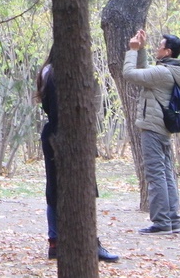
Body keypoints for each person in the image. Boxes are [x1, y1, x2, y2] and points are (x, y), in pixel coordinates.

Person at [36, 57, 119, 262]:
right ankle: (73, 242)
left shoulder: (49, 72)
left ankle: (57, 241)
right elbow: (59, 110)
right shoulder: (57, 74)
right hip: (63, 135)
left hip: (58, 133)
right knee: (68, 188)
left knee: (56, 188)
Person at [123, 29, 180, 234]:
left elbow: (130, 74)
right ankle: (172, 221)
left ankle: (161, 222)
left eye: (159, 46)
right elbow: (145, 73)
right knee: (166, 173)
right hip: (162, 128)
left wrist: (132, 51)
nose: (156, 49)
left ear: (167, 52)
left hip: (153, 127)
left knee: (155, 174)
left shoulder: (162, 73)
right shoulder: (171, 72)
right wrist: (140, 50)